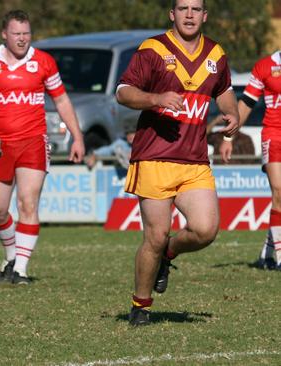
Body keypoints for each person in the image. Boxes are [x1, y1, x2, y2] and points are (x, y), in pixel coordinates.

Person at [116, 0, 239, 326]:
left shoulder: (216, 54)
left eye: (195, 9)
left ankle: (168, 256)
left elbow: (225, 90)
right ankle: (140, 306)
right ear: (172, 14)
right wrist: (155, 98)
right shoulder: (153, 49)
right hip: (154, 157)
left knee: (206, 230)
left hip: (195, 160)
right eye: (182, 8)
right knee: (155, 237)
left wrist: (232, 112)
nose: (189, 14)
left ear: (204, 16)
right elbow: (123, 92)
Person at [0, 10, 85, 284]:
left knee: (27, 203)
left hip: (34, 141)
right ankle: (12, 255)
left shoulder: (44, 62)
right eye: (16, 34)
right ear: (4, 34)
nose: (22, 39)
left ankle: (21, 269)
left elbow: (62, 102)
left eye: (26, 34)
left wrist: (77, 137)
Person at [232, 52, 281, 269]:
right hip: (273, 136)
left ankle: (267, 253)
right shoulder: (265, 66)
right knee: (279, 192)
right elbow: (247, 102)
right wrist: (229, 135)